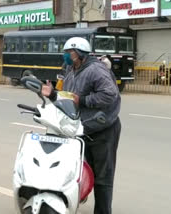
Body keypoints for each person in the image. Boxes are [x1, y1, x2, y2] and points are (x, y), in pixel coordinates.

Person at [42, 37, 121, 214]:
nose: (65, 56)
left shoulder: (96, 70)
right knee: (77, 170)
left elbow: (110, 95)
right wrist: (54, 95)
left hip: (103, 130)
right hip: (81, 129)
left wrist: (84, 100)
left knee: (103, 178)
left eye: (68, 52)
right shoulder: (71, 70)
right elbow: (70, 98)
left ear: (78, 53)